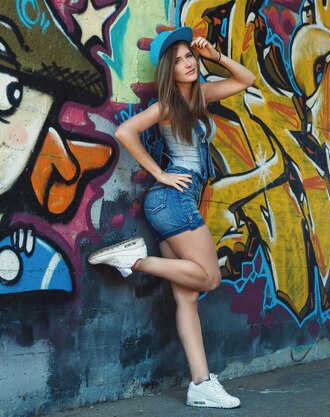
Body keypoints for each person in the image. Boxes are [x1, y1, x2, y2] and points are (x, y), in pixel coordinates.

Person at [87, 26, 255, 409]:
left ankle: (200, 384)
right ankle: (135, 260)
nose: (187, 63)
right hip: (173, 200)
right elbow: (126, 131)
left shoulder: (198, 97)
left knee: (188, 297)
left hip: (171, 204)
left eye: (189, 56)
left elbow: (246, 79)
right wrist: (160, 173)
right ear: (168, 70)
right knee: (210, 277)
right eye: (178, 60)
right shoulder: (168, 106)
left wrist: (215, 55)